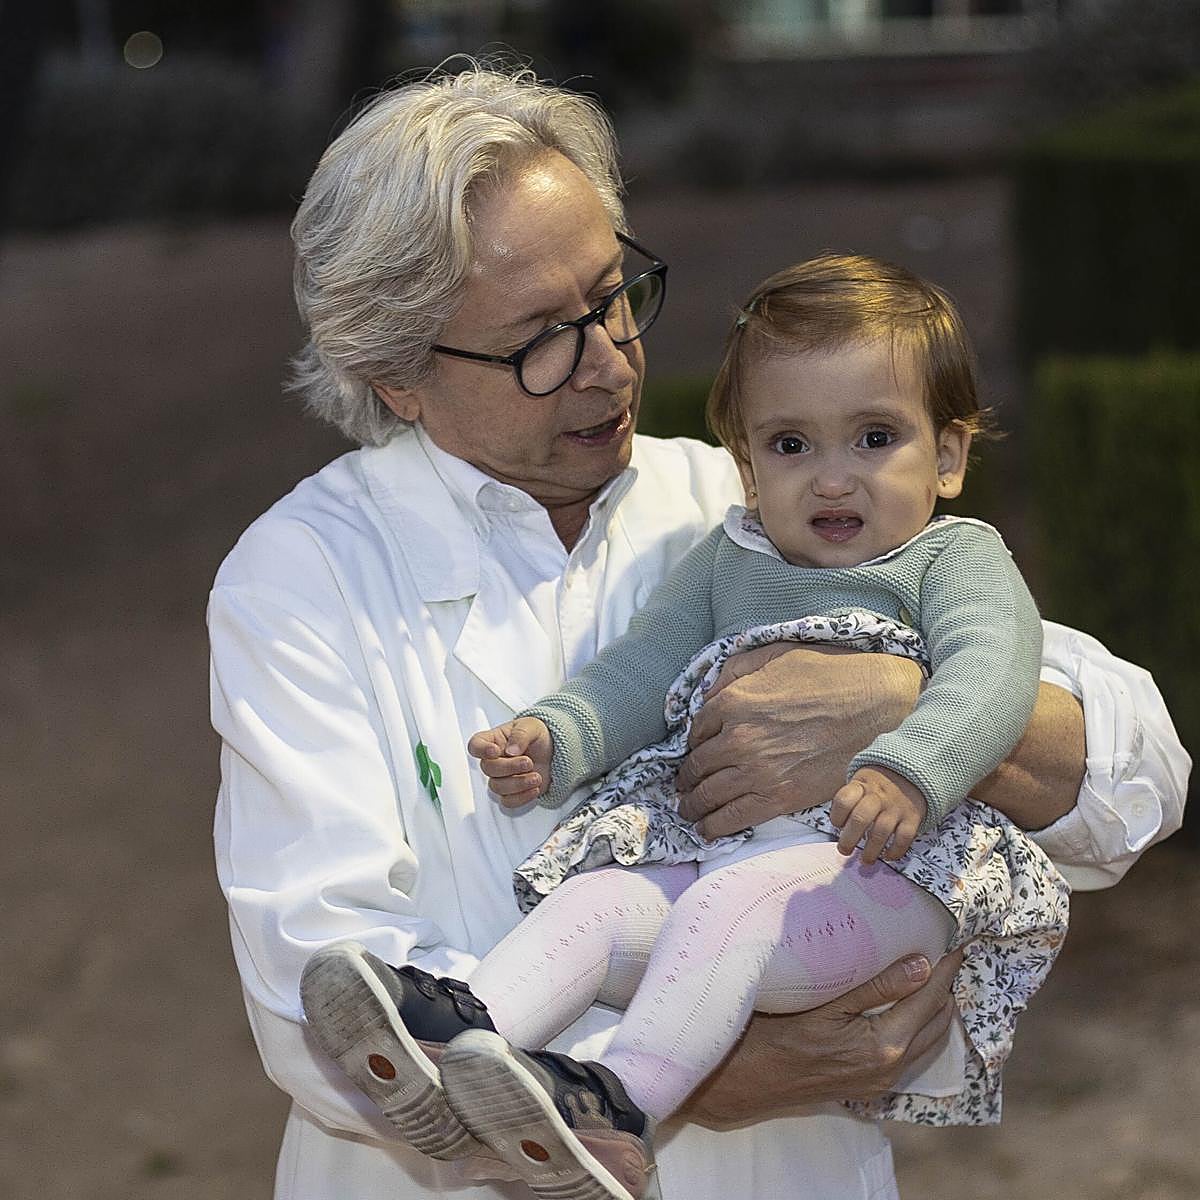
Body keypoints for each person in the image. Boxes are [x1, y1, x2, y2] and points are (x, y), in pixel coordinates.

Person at [209, 63, 1189, 1200]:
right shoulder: (305, 578)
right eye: (539, 339)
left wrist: (897, 713)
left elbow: (1140, 778)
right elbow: (317, 995)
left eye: (613, 292)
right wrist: (705, 1066)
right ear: (395, 377)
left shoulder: (762, 501)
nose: (610, 360)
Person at [301, 256, 1069, 1200]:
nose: (832, 479)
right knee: (597, 904)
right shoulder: (730, 558)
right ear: (747, 468)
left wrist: (912, 764)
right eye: (790, 446)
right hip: (734, 866)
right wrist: (557, 737)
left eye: (874, 438)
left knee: (721, 910)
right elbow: (638, 669)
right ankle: (456, 1052)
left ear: (947, 457)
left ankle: (617, 1113)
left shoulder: (955, 559)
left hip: (894, 867)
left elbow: (996, 673)